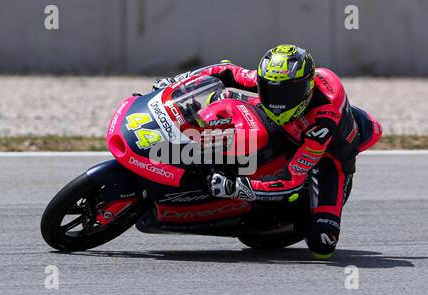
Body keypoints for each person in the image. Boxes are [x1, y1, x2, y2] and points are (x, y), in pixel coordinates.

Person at [152, 44, 382, 259]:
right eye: (269, 90)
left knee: (322, 245)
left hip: (326, 159)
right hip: (286, 126)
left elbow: (292, 178)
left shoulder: (322, 124)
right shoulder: (279, 83)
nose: (278, 100)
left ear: (308, 86)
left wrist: (238, 187)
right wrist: (175, 83)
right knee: (222, 102)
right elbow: (227, 71)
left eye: (286, 94)